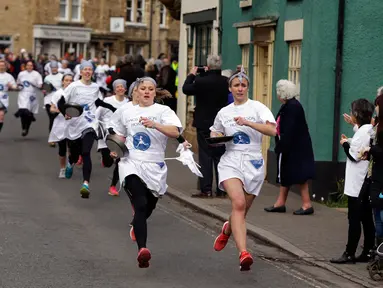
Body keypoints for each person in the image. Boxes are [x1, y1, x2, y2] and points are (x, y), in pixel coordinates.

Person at [108, 77, 186, 268]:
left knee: (149, 206)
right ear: (136, 91)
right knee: (141, 204)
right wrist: (115, 147)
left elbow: (175, 132)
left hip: (155, 166)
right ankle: (142, 250)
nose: (146, 91)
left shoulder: (163, 111)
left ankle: (136, 224)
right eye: (143, 88)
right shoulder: (126, 111)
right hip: (131, 163)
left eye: (150, 89)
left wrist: (155, 125)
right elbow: (117, 132)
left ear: (154, 92)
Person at [211, 69, 277, 271]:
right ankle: (244, 253)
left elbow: (273, 130)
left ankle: (228, 228)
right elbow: (216, 130)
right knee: (238, 203)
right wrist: (215, 137)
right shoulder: (224, 112)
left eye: (243, 85)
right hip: (231, 160)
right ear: (230, 88)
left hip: (254, 162)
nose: (240, 88)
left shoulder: (258, 108)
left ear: (248, 87)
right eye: (236, 85)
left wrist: (248, 122)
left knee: (241, 211)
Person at [56, 61, 116, 198]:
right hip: (74, 125)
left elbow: (98, 102)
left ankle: (86, 184)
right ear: (81, 72)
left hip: (90, 124)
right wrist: (64, 112)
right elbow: (61, 101)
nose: (88, 72)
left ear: (92, 72)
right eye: (85, 69)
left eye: (90, 70)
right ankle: (70, 162)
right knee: (75, 154)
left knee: (86, 152)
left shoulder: (95, 87)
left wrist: (112, 108)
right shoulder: (73, 86)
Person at [330, 99, 375, 264]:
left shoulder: (363, 132)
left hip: (356, 184)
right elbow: (359, 145)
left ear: (357, 114)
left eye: (353, 112)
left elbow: (353, 155)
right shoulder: (368, 129)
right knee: (366, 219)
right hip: (363, 183)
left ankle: (349, 253)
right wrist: (350, 138)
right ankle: (369, 250)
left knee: (354, 219)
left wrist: (344, 144)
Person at [264, 80, 315, 215]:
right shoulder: (290, 105)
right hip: (294, 147)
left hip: (294, 148)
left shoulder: (292, 107)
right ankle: (280, 203)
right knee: (286, 175)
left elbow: (289, 129)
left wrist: (281, 146)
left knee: (299, 176)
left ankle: (306, 204)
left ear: (282, 93)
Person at [182, 55, 229, 198]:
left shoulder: (201, 81)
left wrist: (191, 74)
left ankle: (206, 189)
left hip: (203, 123)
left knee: (205, 156)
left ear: (207, 66)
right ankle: (222, 189)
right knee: (220, 156)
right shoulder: (225, 82)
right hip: (221, 124)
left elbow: (186, 89)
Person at [95, 79, 129, 196]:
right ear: (114, 89)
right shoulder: (107, 101)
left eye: (122, 87)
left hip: (121, 137)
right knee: (108, 163)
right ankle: (105, 159)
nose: (120, 89)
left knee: (121, 162)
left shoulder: (128, 103)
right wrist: (96, 128)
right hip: (107, 135)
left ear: (125, 89)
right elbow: (97, 115)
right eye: (117, 87)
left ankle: (113, 186)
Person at [360, 95, 383, 265]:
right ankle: (378, 253)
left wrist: (371, 149)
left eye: (377, 105)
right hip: (376, 178)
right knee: (377, 214)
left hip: (381, 180)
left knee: (380, 216)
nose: (375, 108)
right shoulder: (378, 126)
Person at [48, 73, 74, 178]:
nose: (68, 82)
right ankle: (62, 168)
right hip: (61, 124)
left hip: (73, 123)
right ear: (63, 82)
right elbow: (52, 108)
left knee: (72, 148)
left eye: (70, 80)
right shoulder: (58, 93)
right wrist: (62, 111)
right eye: (66, 80)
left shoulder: (75, 93)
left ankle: (69, 165)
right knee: (62, 148)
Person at [15, 60, 43, 136]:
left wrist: (33, 83)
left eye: (31, 65)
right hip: (23, 94)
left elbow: (40, 85)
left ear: (33, 66)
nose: (29, 67)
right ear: (26, 66)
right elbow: (18, 83)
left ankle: (27, 128)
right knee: (24, 111)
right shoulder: (21, 74)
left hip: (32, 95)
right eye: (28, 65)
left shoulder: (36, 74)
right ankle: (23, 128)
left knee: (29, 113)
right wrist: (19, 87)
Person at [43, 61, 63, 146]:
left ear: (57, 68)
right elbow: (44, 90)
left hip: (59, 100)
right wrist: (45, 90)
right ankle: (52, 139)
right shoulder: (47, 77)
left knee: (58, 119)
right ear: (50, 68)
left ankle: (59, 135)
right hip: (49, 100)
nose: (54, 69)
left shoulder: (62, 76)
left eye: (55, 67)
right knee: (52, 118)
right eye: (52, 67)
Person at [0, 59, 17, 133]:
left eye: (3, 65)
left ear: (6, 67)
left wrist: (11, 86)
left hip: (3, 99)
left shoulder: (9, 76)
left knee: (1, 116)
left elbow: (15, 86)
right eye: (0, 65)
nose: (1, 67)